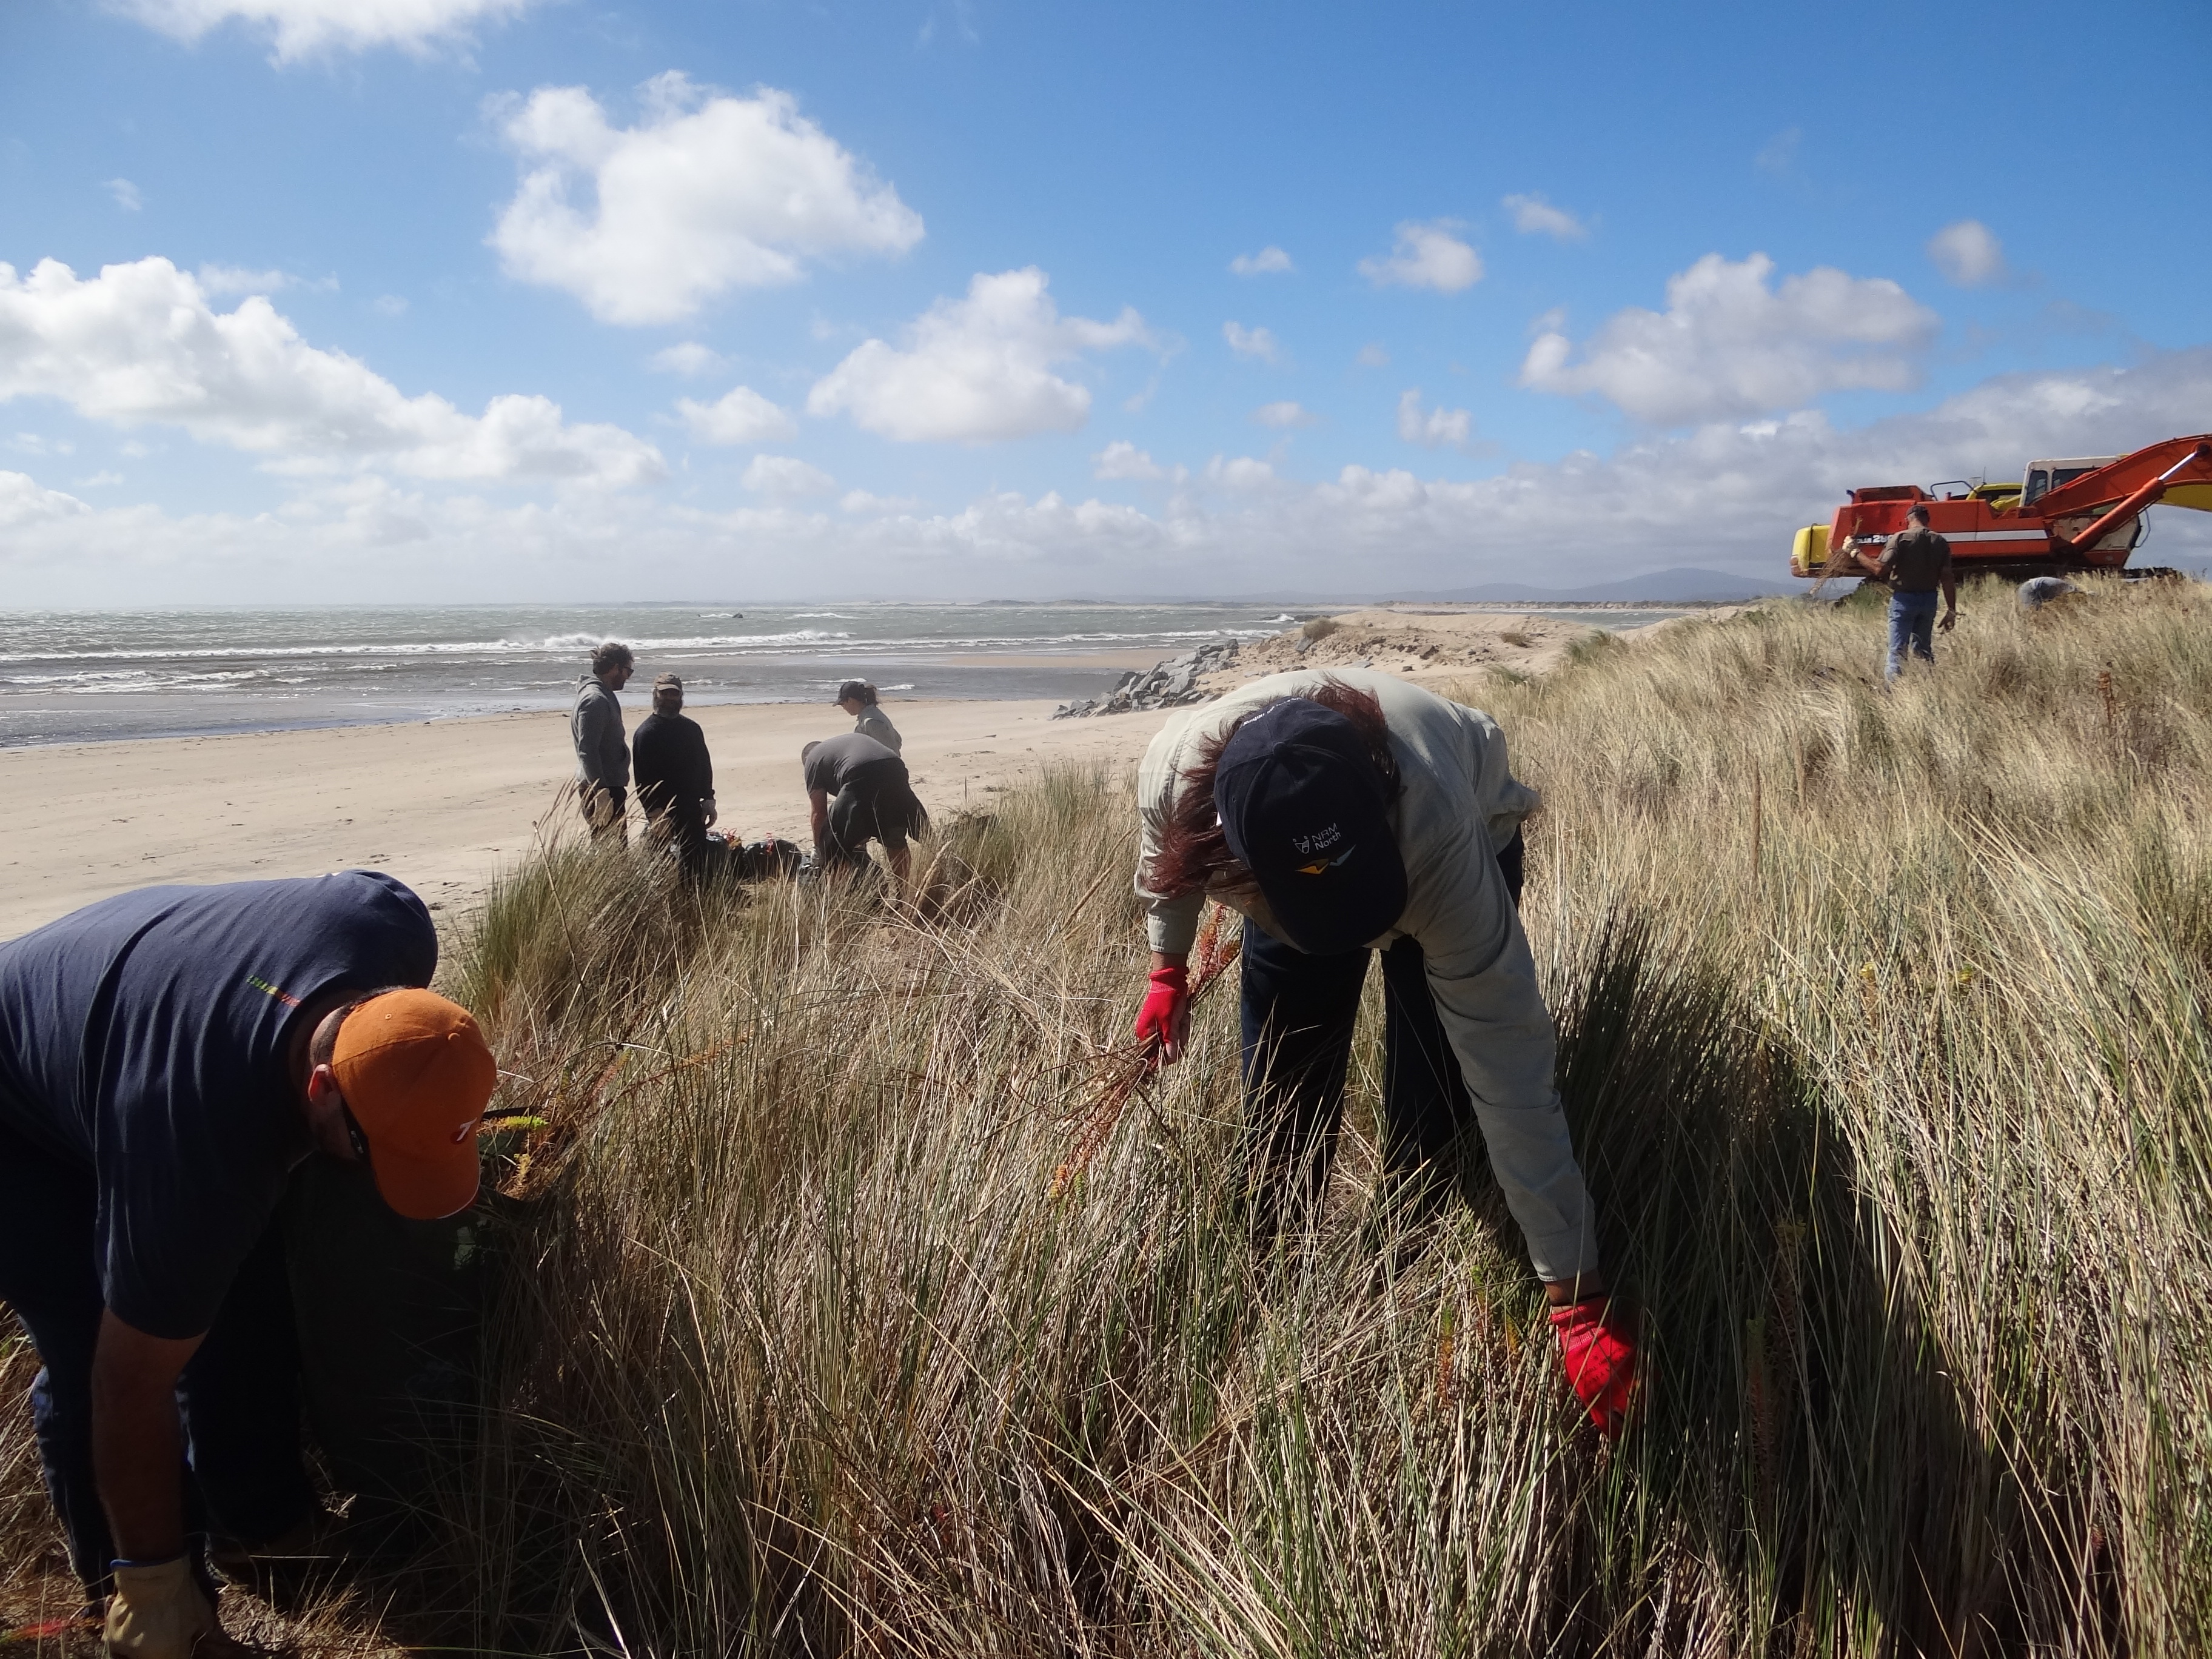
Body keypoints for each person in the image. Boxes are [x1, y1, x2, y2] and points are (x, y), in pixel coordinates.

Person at [0, 873, 499, 1656]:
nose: (375, 1176)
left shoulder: (391, 922)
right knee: (92, 1342)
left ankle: (259, 1528)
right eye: (372, 1153)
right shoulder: (198, 1150)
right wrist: (156, 1591)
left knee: (232, 1279)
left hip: (135, 1001)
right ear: (322, 1087)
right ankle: (134, 1606)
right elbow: (129, 1382)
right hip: (18, 1106)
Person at [1130, 669, 1635, 1437]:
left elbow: (1509, 1065)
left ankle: (1397, 1272)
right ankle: (1270, 1263)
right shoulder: (1174, 776)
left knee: (1434, 1103)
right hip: (1281, 867)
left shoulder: (1436, 825)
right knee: (1280, 1090)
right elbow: (1161, 869)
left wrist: (1576, 1294)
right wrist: (1167, 965)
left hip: (1439, 845)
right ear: (1226, 843)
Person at [802, 731, 927, 883]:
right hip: (895, 766)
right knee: (894, 835)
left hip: (860, 772)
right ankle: (904, 897)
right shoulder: (838, 749)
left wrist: (818, 848)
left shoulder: (812, 760)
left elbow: (819, 813)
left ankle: (838, 899)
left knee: (834, 845)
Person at [1852, 504, 1957, 678]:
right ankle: (1929, 689)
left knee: (1897, 652)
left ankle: (1893, 696)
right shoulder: (1940, 541)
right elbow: (1947, 577)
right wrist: (1951, 610)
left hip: (1904, 601)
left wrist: (1855, 552)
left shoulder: (1900, 538)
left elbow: (1879, 569)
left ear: (1908, 520)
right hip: (1929, 600)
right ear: (1927, 520)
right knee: (1923, 650)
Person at [632, 674, 717, 881]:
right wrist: (654, 813)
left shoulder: (691, 729)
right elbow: (642, 778)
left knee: (697, 867)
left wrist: (708, 799)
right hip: (662, 813)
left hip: (691, 809)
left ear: (681, 696)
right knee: (663, 869)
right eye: (665, 693)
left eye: (674, 693)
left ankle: (698, 906)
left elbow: (704, 766)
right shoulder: (646, 733)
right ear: (655, 695)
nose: (670, 697)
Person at [571, 641, 634, 842]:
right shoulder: (595, 700)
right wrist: (602, 793)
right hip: (602, 788)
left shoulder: (602, 696)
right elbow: (587, 750)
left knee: (612, 849)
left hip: (608, 784)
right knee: (611, 849)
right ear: (616, 668)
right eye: (628, 671)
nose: (628, 677)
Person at [835, 680, 902, 753]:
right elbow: (898, 740)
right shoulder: (871, 714)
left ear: (851, 701)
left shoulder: (871, 721)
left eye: (842, 703)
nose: (843, 708)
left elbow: (888, 753)